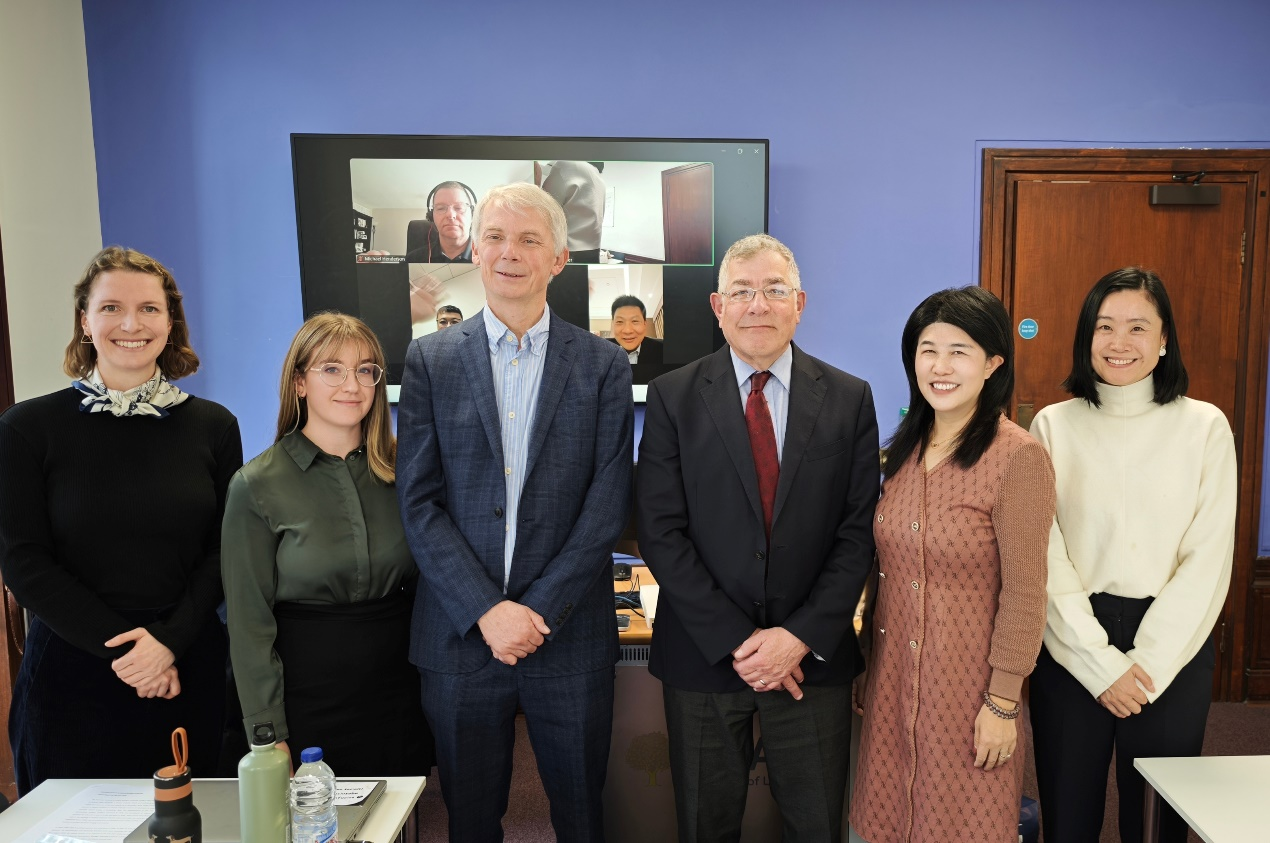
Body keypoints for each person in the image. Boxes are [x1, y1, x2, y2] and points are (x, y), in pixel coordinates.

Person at [396, 182, 633, 842]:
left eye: (530, 239)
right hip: (460, 635)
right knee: (469, 822)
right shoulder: (430, 359)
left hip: (569, 636)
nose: (510, 252)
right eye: (496, 237)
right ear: (475, 251)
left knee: (582, 819)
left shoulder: (603, 365)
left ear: (558, 259)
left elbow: (607, 502)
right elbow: (418, 500)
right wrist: (487, 610)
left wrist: (536, 610)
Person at [636, 233, 879, 842]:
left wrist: (796, 638)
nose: (758, 305)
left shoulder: (849, 398)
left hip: (811, 659)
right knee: (705, 827)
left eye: (774, 290)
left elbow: (857, 533)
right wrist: (741, 642)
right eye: (741, 291)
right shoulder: (672, 396)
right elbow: (660, 531)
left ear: (800, 303)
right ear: (718, 307)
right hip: (704, 653)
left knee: (816, 826)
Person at [0, 246, 242, 793]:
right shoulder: (26, 427)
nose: (131, 324)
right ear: (85, 322)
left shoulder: (214, 426)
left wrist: (167, 643)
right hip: (72, 674)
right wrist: (134, 654)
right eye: (111, 308)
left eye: (149, 309)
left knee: (193, 821)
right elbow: (23, 562)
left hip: (185, 666)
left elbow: (225, 550)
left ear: (170, 322)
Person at [1028, 267, 1235, 843]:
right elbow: (1043, 553)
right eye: (1105, 326)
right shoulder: (1052, 426)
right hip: (1071, 639)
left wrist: (1145, 667)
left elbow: (1208, 557)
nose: (1119, 342)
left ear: (1164, 338)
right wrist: (1098, 664)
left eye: (1138, 327)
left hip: (1172, 644)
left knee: (1157, 822)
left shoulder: (1205, 426)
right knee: (1068, 816)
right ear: (1086, 336)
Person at [849, 286, 1055, 843]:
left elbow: (1025, 592)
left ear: (992, 364)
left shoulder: (1018, 457)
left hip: (969, 694)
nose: (940, 367)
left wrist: (1003, 703)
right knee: (889, 824)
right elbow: (883, 572)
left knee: (963, 826)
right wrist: (867, 663)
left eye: (959, 352)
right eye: (927, 350)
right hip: (893, 683)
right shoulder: (902, 453)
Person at [221, 312, 434, 774]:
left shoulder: (407, 469)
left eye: (365, 370)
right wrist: (267, 733)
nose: (352, 385)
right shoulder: (255, 485)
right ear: (299, 383)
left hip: (400, 687)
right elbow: (249, 624)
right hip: (306, 696)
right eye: (332, 369)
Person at [537, 160, 606, 262]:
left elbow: (544, 210)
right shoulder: (599, 179)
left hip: (569, 252)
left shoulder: (567, 165)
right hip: (593, 252)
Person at [406, 181, 477, 263]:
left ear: (472, 214)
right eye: (441, 208)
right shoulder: (412, 260)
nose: (450, 215)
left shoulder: (487, 256)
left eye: (458, 208)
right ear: (431, 216)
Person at [607, 294, 670, 384]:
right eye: (620, 322)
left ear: (645, 324)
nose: (628, 330)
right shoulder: (599, 350)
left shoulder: (663, 350)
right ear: (613, 324)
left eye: (635, 321)